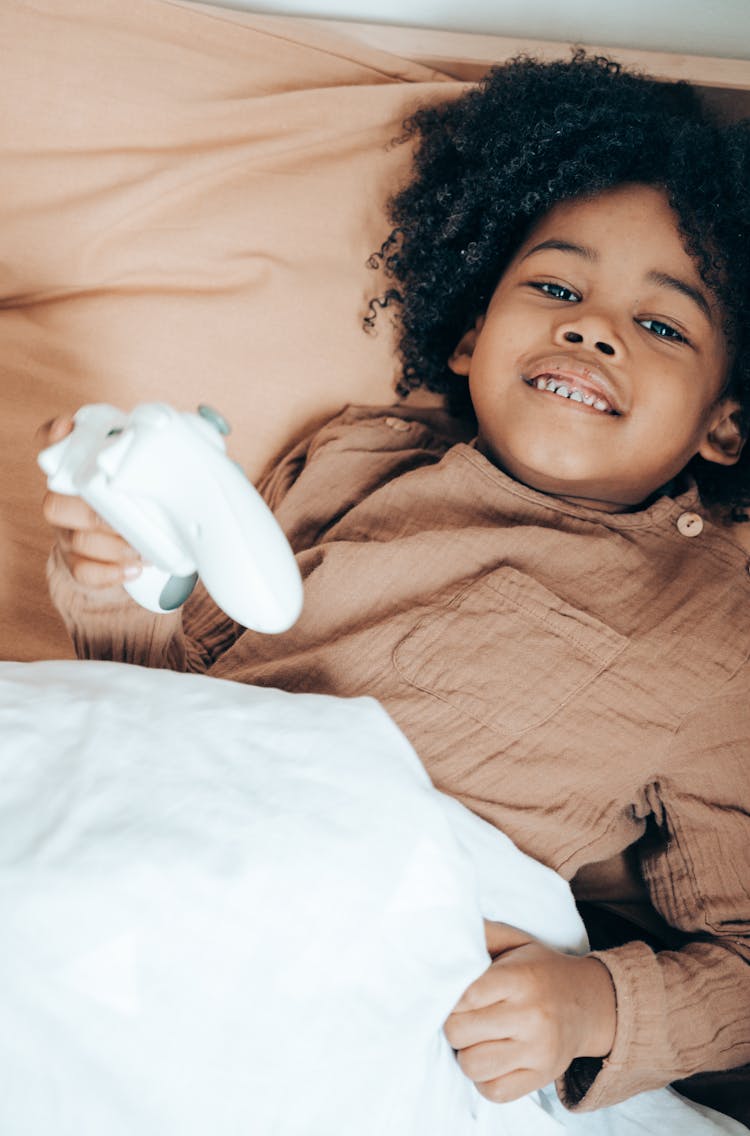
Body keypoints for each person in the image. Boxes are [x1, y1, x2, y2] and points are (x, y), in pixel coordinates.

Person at [38, 54, 750, 1119]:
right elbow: (185, 697)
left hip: (360, 920)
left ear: (725, 422)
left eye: (663, 325)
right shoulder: (361, 457)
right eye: (555, 287)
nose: (592, 327)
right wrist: (119, 572)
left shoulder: (712, 624)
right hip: (182, 824)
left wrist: (595, 1004)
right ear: (469, 337)